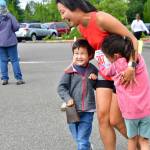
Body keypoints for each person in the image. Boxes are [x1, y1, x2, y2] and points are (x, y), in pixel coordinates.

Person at [56, 0, 139, 149]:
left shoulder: (100, 18)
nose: (62, 17)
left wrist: (131, 66)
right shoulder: (81, 27)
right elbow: (95, 52)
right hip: (105, 73)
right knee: (103, 119)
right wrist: (75, 63)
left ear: (73, 7)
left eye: (63, 12)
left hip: (123, 73)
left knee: (115, 120)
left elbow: (132, 39)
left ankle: (142, 144)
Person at [101, 34, 150, 150]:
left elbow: (106, 72)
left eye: (107, 57)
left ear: (115, 55)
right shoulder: (139, 60)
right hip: (146, 110)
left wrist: (102, 66)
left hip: (129, 113)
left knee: (132, 140)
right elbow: (135, 52)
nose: (108, 59)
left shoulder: (115, 67)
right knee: (144, 141)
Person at [57, 39, 98, 150]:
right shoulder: (69, 71)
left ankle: (84, 145)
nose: (79, 56)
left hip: (88, 110)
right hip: (73, 110)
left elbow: (97, 87)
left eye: (82, 53)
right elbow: (61, 87)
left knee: (82, 138)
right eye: (76, 53)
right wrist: (67, 98)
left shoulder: (93, 69)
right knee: (78, 137)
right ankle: (87, 146)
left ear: (89, 55)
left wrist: (95, 80)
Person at [0, 0, 25, 85]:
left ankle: (4, 79)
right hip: (11, 41)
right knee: (14, 60)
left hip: (0, 43)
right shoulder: (10, 16)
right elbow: (16, 27)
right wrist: (9, 15)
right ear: (5, 6)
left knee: (3, 61)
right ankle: (18, 79)